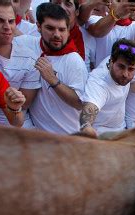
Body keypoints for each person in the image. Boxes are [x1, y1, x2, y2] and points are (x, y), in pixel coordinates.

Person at [15, 3, 88, 134]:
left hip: (68, 137)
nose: (57, 35)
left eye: (62, 29)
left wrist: (53, 80)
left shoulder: (73, 60)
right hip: (39, 138)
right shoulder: (26, 43)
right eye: (50, 28)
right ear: (38, 26)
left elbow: (79, 103)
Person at [0, 0, 40, 127]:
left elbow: (23, 104)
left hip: (20, 127)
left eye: (11, 21)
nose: (7, 27)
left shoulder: (29, 57)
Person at [79, 39, 135, 136]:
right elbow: (91, 106)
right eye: (121, 67)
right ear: (111, 62)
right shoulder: (99, 83)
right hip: (101, 134)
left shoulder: (118, 59)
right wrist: (86, 126)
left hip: (121, 129)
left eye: (131, 69)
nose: (125, 74)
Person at [83, 0, 135, 67]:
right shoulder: (95, 19)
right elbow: (97, 31)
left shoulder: (134, 26)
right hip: (99, 78)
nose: (123, 5)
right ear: (110, 3)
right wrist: (115, 15)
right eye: (118, 1)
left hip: (123, 78)